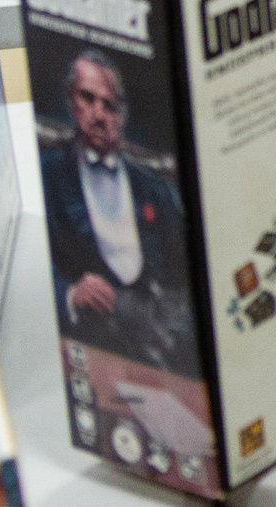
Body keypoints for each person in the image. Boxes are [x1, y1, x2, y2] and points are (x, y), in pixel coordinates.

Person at [39, 49, 193, 371]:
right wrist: (69, 294)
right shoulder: (47, 174)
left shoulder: (154, 189)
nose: (98, 114)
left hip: (153, 346)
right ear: (71, 100)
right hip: (84, 341)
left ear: (121, 115)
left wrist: (166, 325)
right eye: (87, 98)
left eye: (109, 105)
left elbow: (184, 272)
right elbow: (32, 261)